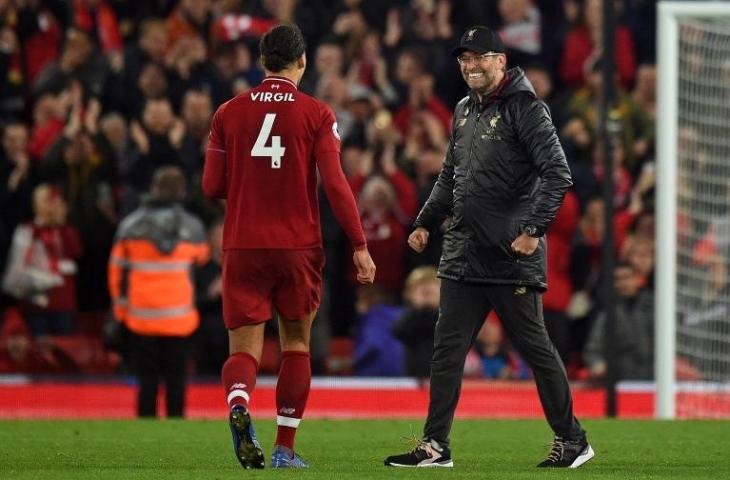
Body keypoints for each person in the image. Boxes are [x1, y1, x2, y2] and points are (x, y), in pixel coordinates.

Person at [384, 26, 594, 469]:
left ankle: (573, 440)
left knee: (536, 350)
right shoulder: (463, 109)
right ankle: (435, 446)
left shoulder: (526, 108)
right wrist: (424, 221)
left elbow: (558, 173)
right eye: (464, 58)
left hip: (509, 257)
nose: (470, 65)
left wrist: (533, 230)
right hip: (463, 254)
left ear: (501, 61)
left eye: (480, 57)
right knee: (446, 351)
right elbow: (449, 176)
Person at [202, 24, 376, 470]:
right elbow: (335, 184)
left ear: (263, 62)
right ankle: (284, 449)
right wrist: (359, 244)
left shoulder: (228, 112)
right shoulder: (316, 113)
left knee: (242, 348)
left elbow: (211, 186)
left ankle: (239, 402)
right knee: (296, 343)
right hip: (297, 245)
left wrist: (249, 182)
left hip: (243, 244)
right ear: (302, 61)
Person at [108, 166, 209, 418]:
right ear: (182, 191)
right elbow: (203, 258)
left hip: (140, 319)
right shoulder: (192, 227)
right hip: (179, 320)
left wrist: (121, 310)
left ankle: (146, 435)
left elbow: (116, 274)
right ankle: (175, 430)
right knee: (176, 382)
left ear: (153, 188)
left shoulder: (130, 226)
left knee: (147, 382)